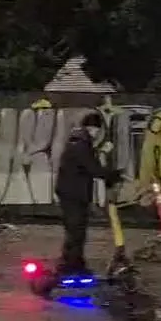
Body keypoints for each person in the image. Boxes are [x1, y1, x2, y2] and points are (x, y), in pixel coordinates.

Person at [54, 112, 122, 275]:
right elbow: (92, 168)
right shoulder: (81, 145)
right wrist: (112, 175)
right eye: (97, 130)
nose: (98, 134)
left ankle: (72, 262)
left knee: (75, 230)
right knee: (76, 231)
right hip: (74, 194)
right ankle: (72, 265)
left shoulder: (78, 142)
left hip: (71, 193)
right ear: (92, 128)